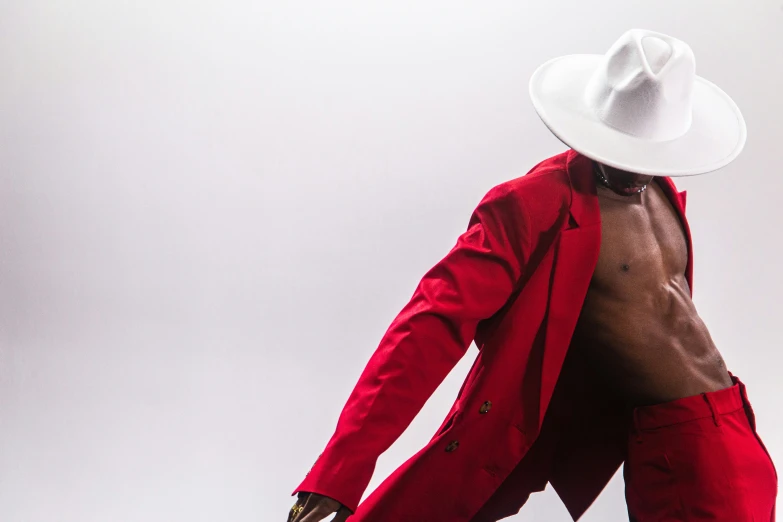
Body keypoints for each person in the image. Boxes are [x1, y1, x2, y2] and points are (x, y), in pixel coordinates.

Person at [285, 29, 777, 521]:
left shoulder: (662, 189)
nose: (637, 171)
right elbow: (428, 324)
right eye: (624, 150)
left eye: (650, 153)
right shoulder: (534, 202)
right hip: (682, 452)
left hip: (738, 428)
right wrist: (341, 467)